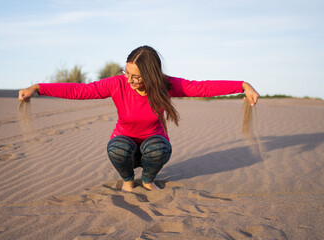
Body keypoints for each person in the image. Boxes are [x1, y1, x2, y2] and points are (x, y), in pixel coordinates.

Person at [18, 45, 259, 192]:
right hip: (124, 141)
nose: (129, 80)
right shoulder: (117, 84)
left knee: (159, 148)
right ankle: (127, 180)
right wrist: (38, 87)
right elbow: (80, 90)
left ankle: (147, 180)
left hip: (152, 142)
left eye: (136, 76)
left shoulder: (166, 85)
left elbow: (202, 87)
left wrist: (242, 85)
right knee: (117, 149)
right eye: (127, 73)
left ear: (151, 75)